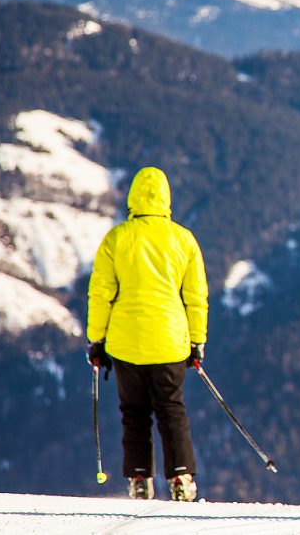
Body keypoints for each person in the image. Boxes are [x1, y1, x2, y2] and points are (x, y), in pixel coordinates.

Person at [86, 166, 209, 502]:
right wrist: (197, 342)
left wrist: (97, 339)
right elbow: (195, 297)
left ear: (133, 198)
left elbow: (101, 294)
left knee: (134, 412)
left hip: (126, 344)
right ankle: (181, 477)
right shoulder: (184, 240)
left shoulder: (116, 239)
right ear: (167, 198)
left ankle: (140, 479)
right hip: (170, 343)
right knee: (172, 409)